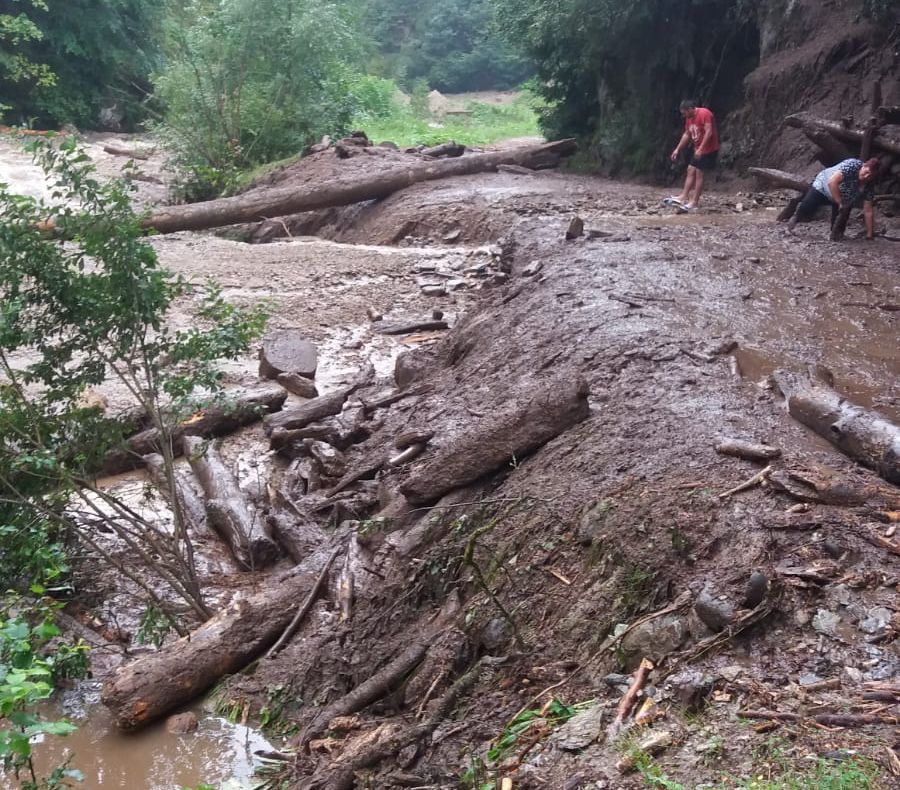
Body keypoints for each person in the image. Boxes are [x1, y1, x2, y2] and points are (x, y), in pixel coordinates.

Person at [786, 157, 879, 239]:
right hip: (824, 184)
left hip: (845, 196)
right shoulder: (851, 165)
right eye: (866, 172)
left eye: (870, 176)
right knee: (808, 205)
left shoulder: (869, 185)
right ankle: (793, 222)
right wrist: (839, 202)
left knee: (843, 214)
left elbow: (868, 210)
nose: (866, 176)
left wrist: (869, 234)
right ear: (863, 166)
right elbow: (832, 182)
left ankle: (836, 234)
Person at [666, 99, 719, 211]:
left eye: (684, 113)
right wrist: (677, 149)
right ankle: (683, 196)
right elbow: (687, 134)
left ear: (690, 109)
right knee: (690, 169)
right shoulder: (689, 119)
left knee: (699, 173)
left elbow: (709, 132)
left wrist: (701, 149)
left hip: (708, 149)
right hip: (698, 149)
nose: (684, 116)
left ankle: (694, 202)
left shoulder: (705, 113)